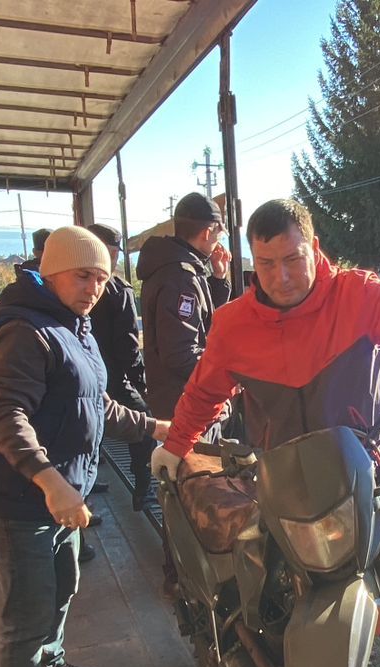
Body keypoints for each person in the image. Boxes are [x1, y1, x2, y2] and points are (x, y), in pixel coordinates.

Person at [0, 227, 167, 667]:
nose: (94, 288)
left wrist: (156, 427)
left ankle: (49, 666)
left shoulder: (73, 326)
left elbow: (96, 407)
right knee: (24, 622)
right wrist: (50, 481)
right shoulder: (25, 331)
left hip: (61, 497)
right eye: (84, 275)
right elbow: (3, 414)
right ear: (50, 270)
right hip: (22, 500)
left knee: (64, 584)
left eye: (102, 278)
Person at [150, 197, 380, 486]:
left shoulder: (357, 294)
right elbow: (203, 393)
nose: (281, 277)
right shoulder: (234, 324)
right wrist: (176, 445)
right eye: (266, 264)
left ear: (313, 248)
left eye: (292, 259)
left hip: (363, 477)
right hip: (283, 484)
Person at [138, 193, 231, 595]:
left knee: (183, 487)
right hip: (186, 402)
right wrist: (223, 379)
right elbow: (181, 352)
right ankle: (182, 578)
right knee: (186, 490)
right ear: (209, 231)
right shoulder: (179, 276)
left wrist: (219, 282)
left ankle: (182, 571)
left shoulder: (177, 269)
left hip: (173, 395)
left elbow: (198, 325)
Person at [87, 223, 154, 511]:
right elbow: (128, 345)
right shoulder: (117, 290)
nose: (112, 261)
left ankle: (85, 487)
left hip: (86, 377)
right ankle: (143, 488)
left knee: (86, 430)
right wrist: (140, 384)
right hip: (113, 377)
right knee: (143, 424)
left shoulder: (64, 288)